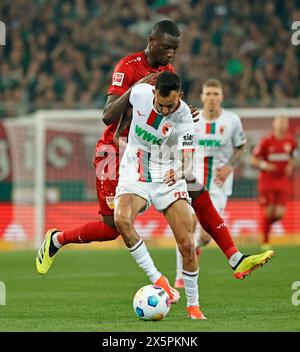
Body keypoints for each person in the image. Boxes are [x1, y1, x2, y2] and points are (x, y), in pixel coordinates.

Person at [36, 21, 274, 286]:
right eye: (166, 47)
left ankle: (235, 257)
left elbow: (161, 107)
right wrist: (137, 86)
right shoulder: (127, 67)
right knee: (111, 228)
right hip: (114, 153)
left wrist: (183, 111)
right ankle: (56, 240)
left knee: (194, 186)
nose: (171, 54)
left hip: (151, 152)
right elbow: (107, 116)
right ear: (152, 41)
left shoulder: (167, 70)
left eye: (175, 49)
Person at [114, 71, 205, 319]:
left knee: (187, 243)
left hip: (167, 173)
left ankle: (193, 305)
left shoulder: (185, 118)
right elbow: (119, 112)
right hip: (136, 168)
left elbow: (188, 161)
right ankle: (158, 279)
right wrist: (119, 132)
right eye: (161, 105)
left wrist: (178, 172)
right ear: (154, 93)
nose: (165, 111)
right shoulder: (140, 93)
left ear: (181, 96)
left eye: (170, 105)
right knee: (121, 220)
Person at [174, 78, 247, 289]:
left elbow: (241, 148)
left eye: (216, 94)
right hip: (192, 181)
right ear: (202, 96)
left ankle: (192, 252)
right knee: (187, 228)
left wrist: (230, 167)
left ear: (222, 97)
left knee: (205, 236)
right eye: (209, 94)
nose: (212, 98)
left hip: (218, 184)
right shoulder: (192, 119)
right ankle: (180, 277)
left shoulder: (232, 121)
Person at [251, 116, 298, 250]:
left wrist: (290, 165)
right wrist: (266, 165)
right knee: (269, 211)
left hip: (282, 180)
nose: (282, 126)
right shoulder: (266, 141)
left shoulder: (291, 142)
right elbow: (254, 160)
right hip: (267, 180)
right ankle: (265, 241)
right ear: (274, 125)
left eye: (284, 123)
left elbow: (294, 157)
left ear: (287, 125)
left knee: (279, 214)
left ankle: (264, 227)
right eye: (279, 123)